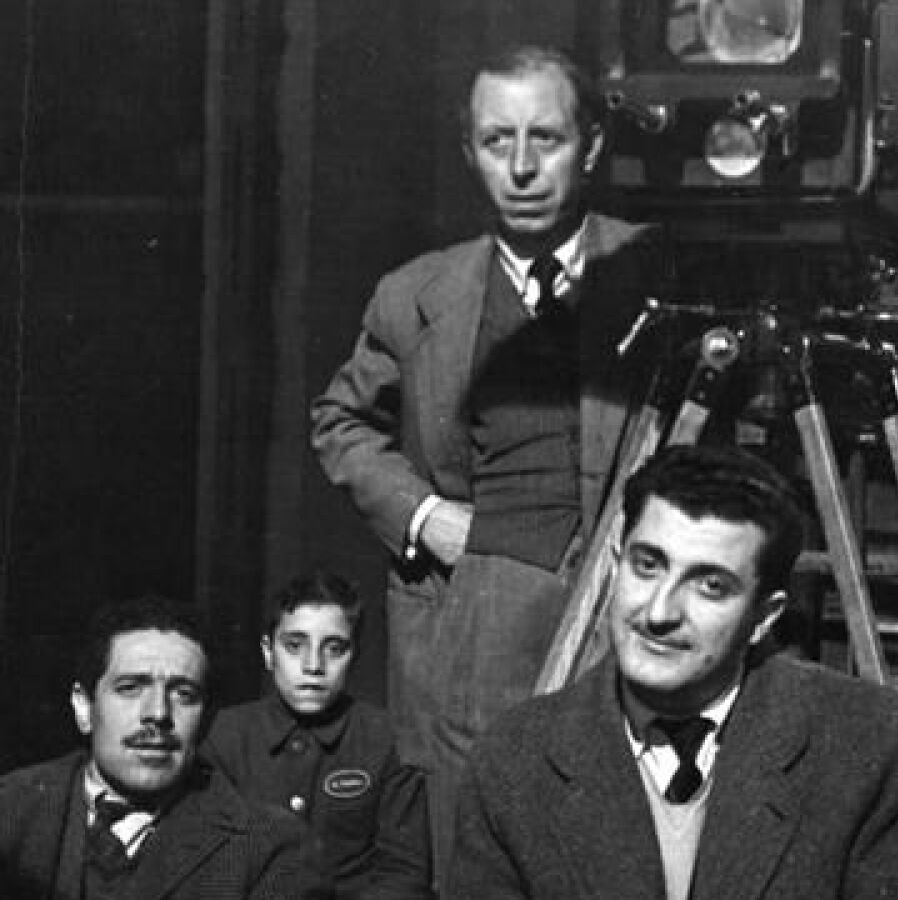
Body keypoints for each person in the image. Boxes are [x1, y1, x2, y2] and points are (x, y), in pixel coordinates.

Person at [309, 42, 665, 874]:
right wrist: (424, 517)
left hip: (623, 612)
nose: (523, 167)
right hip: (466, 630)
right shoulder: (415, 294)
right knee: (478, 859)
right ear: (470, 153)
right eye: (498, 142)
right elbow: (340, 420)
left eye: (547, 138)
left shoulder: (658, 269)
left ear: (592, 147)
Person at [450, 444, 898, 899]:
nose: (660, 613)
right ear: (615, 565)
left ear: (763, 617)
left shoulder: (871, 744)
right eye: (647, 566)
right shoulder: (513, 763)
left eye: (710, 586)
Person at [0, 595, 329, 899]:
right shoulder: (10, 809)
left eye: (184, 694)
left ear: (206, 719)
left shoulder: (272, 849)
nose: (158, 713)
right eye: (130, 688)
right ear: (84, 707)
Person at [204, 570, 432, 898]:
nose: (314, 665)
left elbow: (404, 873)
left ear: (354, 656)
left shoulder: (385, 740)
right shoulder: (225, 735)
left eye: (334, 648)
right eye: (294, 646)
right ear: (268, 652)